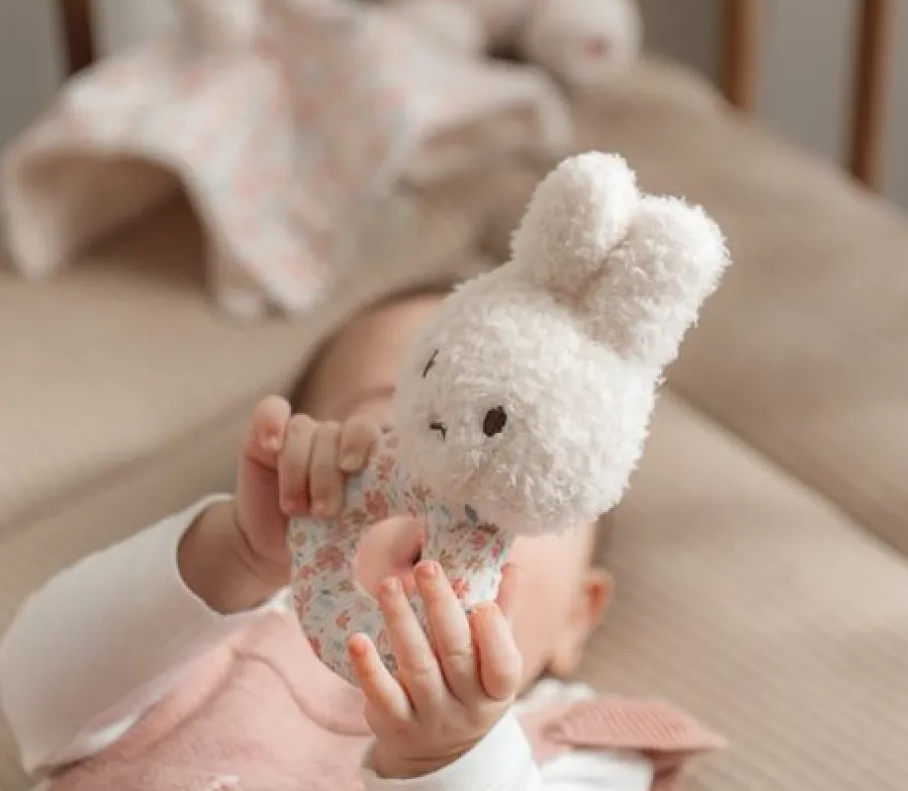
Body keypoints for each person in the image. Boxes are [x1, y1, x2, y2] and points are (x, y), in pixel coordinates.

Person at [0, 289, 663, 791]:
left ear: (579, 615)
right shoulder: (212, 629)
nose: (454, 492)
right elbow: (33, 699)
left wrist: (453, 758)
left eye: (522, 484)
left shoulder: (578, 749)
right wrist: (229, 557)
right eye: (403, 428)